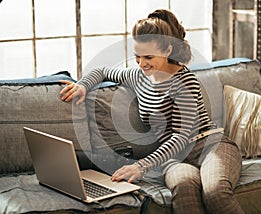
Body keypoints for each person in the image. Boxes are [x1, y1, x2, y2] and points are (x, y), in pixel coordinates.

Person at [60, 9, 244, 214]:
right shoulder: (138, 76)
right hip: (174, 159)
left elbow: (181, 136)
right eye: (137, 56)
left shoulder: (186, 81)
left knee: (215, 193)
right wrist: (83, 85)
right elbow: (102, 71)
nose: (141, 63)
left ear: (167, 51)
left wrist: (141, 166)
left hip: (210, 146)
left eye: (148, 56)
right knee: (184, 190)